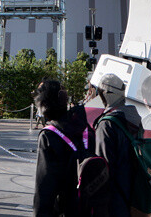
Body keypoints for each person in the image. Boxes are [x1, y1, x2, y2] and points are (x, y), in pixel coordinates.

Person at [33, 79, 99, 217]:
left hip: (65, 208)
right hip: (92, 206)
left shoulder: (49, 135)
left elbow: (45, 187)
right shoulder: (85, 127)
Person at [94, 73, 142, 217]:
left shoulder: (107, 124)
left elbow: (102, 169)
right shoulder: (136, 119)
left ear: (107, 94)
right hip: (136, 197)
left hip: (114, 202)